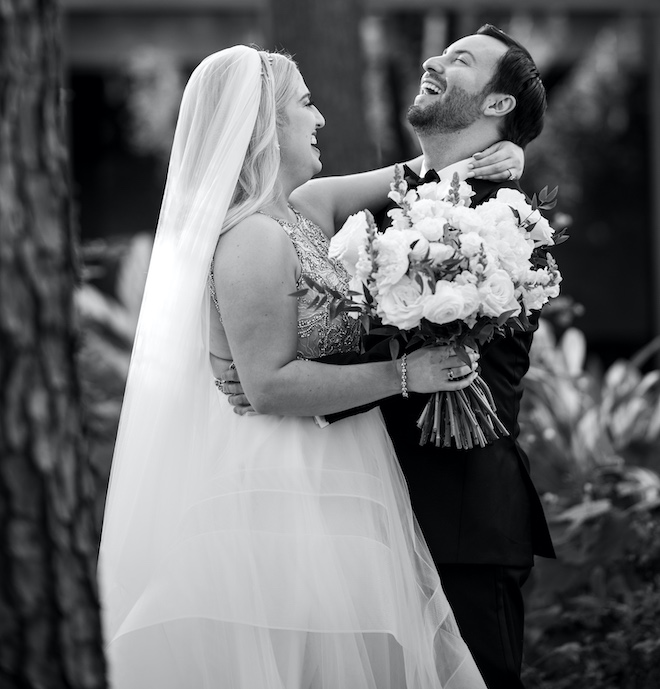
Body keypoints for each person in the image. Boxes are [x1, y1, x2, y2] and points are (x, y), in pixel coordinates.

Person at [97, 45, 524, 688]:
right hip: (279, 483)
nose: (319, 117)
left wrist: (509, 154)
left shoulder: (304, 211)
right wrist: (406, 375)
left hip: (339, 463)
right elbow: (267, 385)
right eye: (304, 103)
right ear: (266, 125)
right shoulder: (251, 238)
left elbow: (425, 171)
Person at [223, 25, 556, 689]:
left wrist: (285, 376)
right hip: (364, 517)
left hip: (457, 524)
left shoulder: (508, 222)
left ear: (497, 106)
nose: (433, 59)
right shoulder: (406, 200)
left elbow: (429, 351)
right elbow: (302, 207)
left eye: (460, 60)